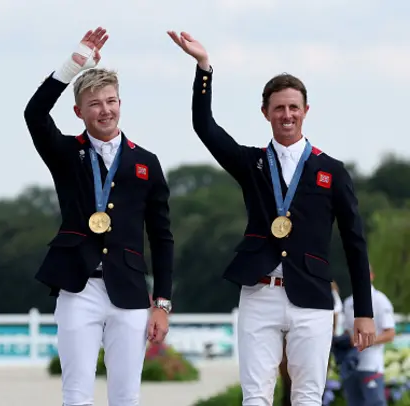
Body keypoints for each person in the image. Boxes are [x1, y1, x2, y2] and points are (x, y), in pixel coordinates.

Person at [167, 30, 376, 405]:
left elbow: (354, 243)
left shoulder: (332, 171)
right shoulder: (252, 164)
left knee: (309, 396)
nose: (287, 115)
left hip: (311, 296)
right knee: (256, 396)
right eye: (279, 108)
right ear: (265, 112)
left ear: (306, 111)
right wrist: (203, 68)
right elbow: (205, 127)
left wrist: (363, 311)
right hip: (260, 292)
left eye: (294, 107)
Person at [24, 27, 174, 406]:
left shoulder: (145, 162)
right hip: (78, 288)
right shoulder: (64, 153)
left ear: (120, 103)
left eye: (111, 101)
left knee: (126, 395)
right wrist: (71, 65)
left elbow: (162, 237)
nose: (104, 110)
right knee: (76, 393)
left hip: (130, 289)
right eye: (94, 104)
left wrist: (163, 302)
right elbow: (34, 113)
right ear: (79, 111)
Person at [341, 266, 395, 406]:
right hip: (351, 366)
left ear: (371, 276)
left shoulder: (380, 300)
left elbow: (390, 333)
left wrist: (366, 340)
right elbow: (348, 331)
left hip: (372, 365)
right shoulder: (348, 303)